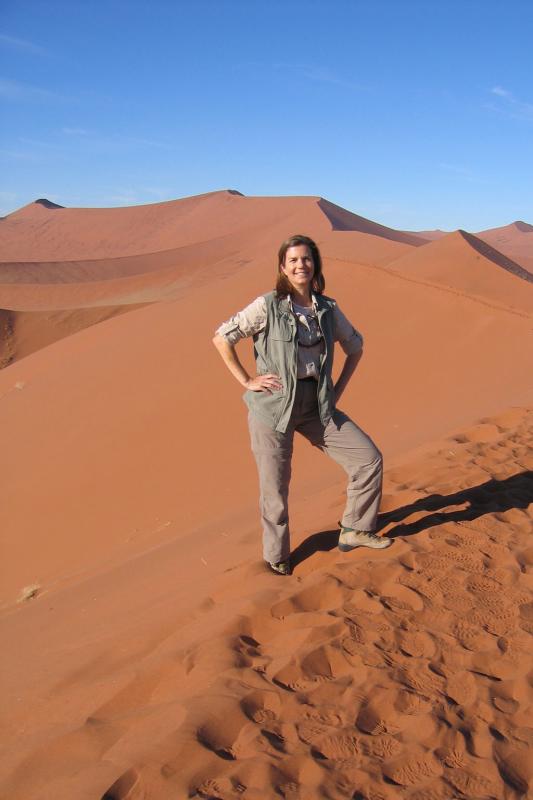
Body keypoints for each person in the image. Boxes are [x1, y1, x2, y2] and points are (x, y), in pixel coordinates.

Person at [212, 234, 391, 575]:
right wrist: (248, 381)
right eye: (293, 260)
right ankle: (277, 557)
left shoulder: (327, 309)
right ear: (283, 267)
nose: (300, 265)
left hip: (317, 405)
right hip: (273, 408)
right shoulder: (267, 306)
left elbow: (355, 347)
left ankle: (355, 529)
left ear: (315, 265)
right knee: (275, 488)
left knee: (368, 459)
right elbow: (222, 338)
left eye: (306, 259)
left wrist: (336, 392)